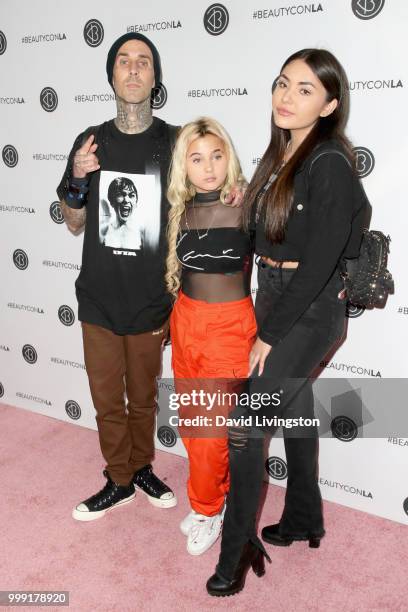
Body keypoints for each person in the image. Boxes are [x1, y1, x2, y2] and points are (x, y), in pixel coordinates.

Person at [206, 48, 368, 596]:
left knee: (246, 429)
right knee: (295, 409)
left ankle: (236, 551)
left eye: (304, 89)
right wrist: (241, 202)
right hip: (273, 297)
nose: (286, 95)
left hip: (310, 307)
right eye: (282, 83)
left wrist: (271, 335)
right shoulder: (279, 157)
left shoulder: (329, 161)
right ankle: (303, 517)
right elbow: (265, 237)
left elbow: (325, 252)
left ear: (329, 105)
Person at [57, 32, 179, 520]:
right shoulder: (91, 140)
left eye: (143, 62)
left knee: (144, 397)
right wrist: (78, 181)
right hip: (99, 299)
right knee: (108, 397)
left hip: (152, 297)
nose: (132, 69)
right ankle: (118, 479)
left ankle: (142, 467)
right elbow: (73, 222)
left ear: (155, 77)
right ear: (110, 75)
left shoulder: (175, 141)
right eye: (123, 61)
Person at [166, 117, 255, 555]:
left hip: (229, 327)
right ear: (184, 165)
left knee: (210, 431)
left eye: (216, 156)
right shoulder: (180, 211)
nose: (208, 167)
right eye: (197, 158)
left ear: (229, 158)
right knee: (191, 422)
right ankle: (211, 499)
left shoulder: (247, 204)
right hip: (186, 321)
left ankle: (207, 509)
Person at [101, 176, 142, 249]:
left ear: (136, 202)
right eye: (120, 195)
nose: (126, 200)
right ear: (112, 201)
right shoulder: (104, 231)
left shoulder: (142, 232)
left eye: (131, 195)